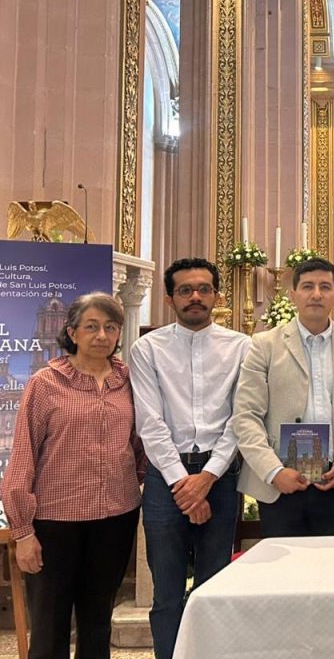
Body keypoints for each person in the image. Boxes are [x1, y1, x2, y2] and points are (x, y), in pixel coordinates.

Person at [1, 293, 146, 659]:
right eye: (91, 326)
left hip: (115, 518)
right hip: (56, 524)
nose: (102, 335)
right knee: (50, 629)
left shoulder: (129, 381)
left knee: (97, 624)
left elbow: (140, 443)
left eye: (111, 327)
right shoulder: (46, 383)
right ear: (72, 332)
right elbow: (23, 457)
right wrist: (23, 532)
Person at [129, 258, 251, 659]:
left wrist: (208, 476)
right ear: (170, 298)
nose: (195, 297)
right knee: (166, 592)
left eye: (203, 289)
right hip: (166, 477)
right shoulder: (147, 349)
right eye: (185, 290)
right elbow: (149, 421)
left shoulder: (241, 347)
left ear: (216, 295)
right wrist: (183, 482)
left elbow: (241, 416)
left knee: (212, 587)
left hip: (221, 475)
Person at [232, 257, 334, 536]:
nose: (316, 294)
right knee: (285, 563)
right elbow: (246, 415)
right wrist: (274, 471)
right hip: (281, 482)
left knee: (333, 561)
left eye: (325, 287)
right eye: (308, 286)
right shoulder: (264, 345)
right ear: (293, 295)